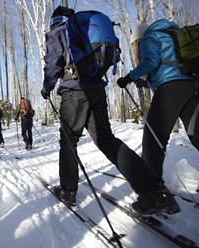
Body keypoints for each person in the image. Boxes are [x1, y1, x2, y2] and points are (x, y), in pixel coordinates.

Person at [41, 6, 181, 214]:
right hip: (97, 90)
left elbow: (53, 65)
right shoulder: (85, 30)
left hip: (74, 94)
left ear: (54, 21)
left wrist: (46, 88)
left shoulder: (59, 31)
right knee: (107, 140)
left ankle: (68, 191)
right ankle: (154, 190)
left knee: (69, 141)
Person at [117, 19, 199, 201]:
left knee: (153, 141)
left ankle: (153, 196)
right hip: (194, 87)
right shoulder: (171, 35)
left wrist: (128, 77)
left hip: (171, 90)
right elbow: (169, 66)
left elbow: (151, 63)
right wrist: (146, 82)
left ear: (137, 40)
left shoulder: (149, 37)